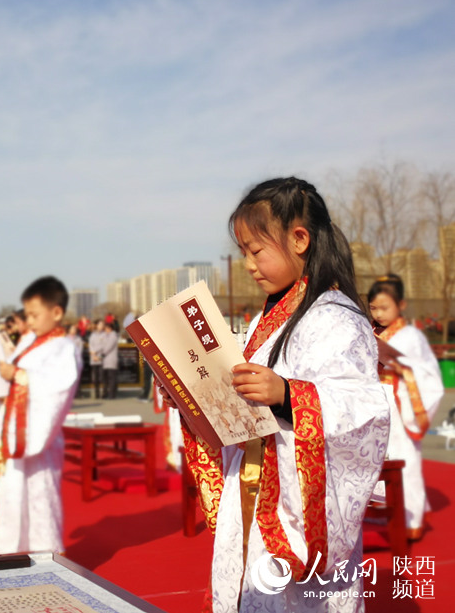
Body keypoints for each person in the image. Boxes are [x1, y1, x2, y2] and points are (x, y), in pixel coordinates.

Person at [180, 177, 389, 610]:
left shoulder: (334, 317)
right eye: (243, 254)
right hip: (254, 491)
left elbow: (362, 412)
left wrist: (288, 395)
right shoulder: (270, 319)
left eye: (256, 251)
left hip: (292, 505)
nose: (249, 265)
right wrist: (195, 397)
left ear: (299, 240)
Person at [0, 276, 82, 554]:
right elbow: (14, 377)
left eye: (35, 315)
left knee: (40, 496)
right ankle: (9, 551)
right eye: (27, 314)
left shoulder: (64, 348)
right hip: (17, 431)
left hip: (39, 439)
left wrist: (16, 374)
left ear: (57, 312)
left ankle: (44, 554)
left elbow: (56, 388)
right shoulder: (31, 341)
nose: (30, 321)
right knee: (13, 494)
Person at [368, 274, 444, 541]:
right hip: (375, 402)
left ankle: (410, 517)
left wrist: (402, 371)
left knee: (403, 459)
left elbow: (428, 375)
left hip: (400, 404)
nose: (378, 313)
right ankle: (381, 509)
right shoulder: (370, 332)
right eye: (373, 308)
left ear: (401, 304)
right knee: (375, 457)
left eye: (385, 308)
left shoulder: (411, 336)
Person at [100, 321, 119, 399]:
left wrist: (102, 353)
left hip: (111, 360)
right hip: (105, 361)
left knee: (112, 378)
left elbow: (108, 347)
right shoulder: (105, 335)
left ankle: (112, 394)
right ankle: (106, 393)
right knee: (106, 378)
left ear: (110, 328)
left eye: (106, 328)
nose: (105, 330)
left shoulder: (113, 336)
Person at [87, 320, 105, 399]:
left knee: (102, 377)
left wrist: (96, 351)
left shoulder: (105, 335)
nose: (101, 326)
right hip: (93, 358)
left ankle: (103, 393)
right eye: (100, 324)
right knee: (95, 377)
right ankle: (96, 394)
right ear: (96, 325)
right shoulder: (93, 335)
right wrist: (93, 354)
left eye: (102, 325)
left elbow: (104, 346)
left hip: (101, 357)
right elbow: (91, 345)